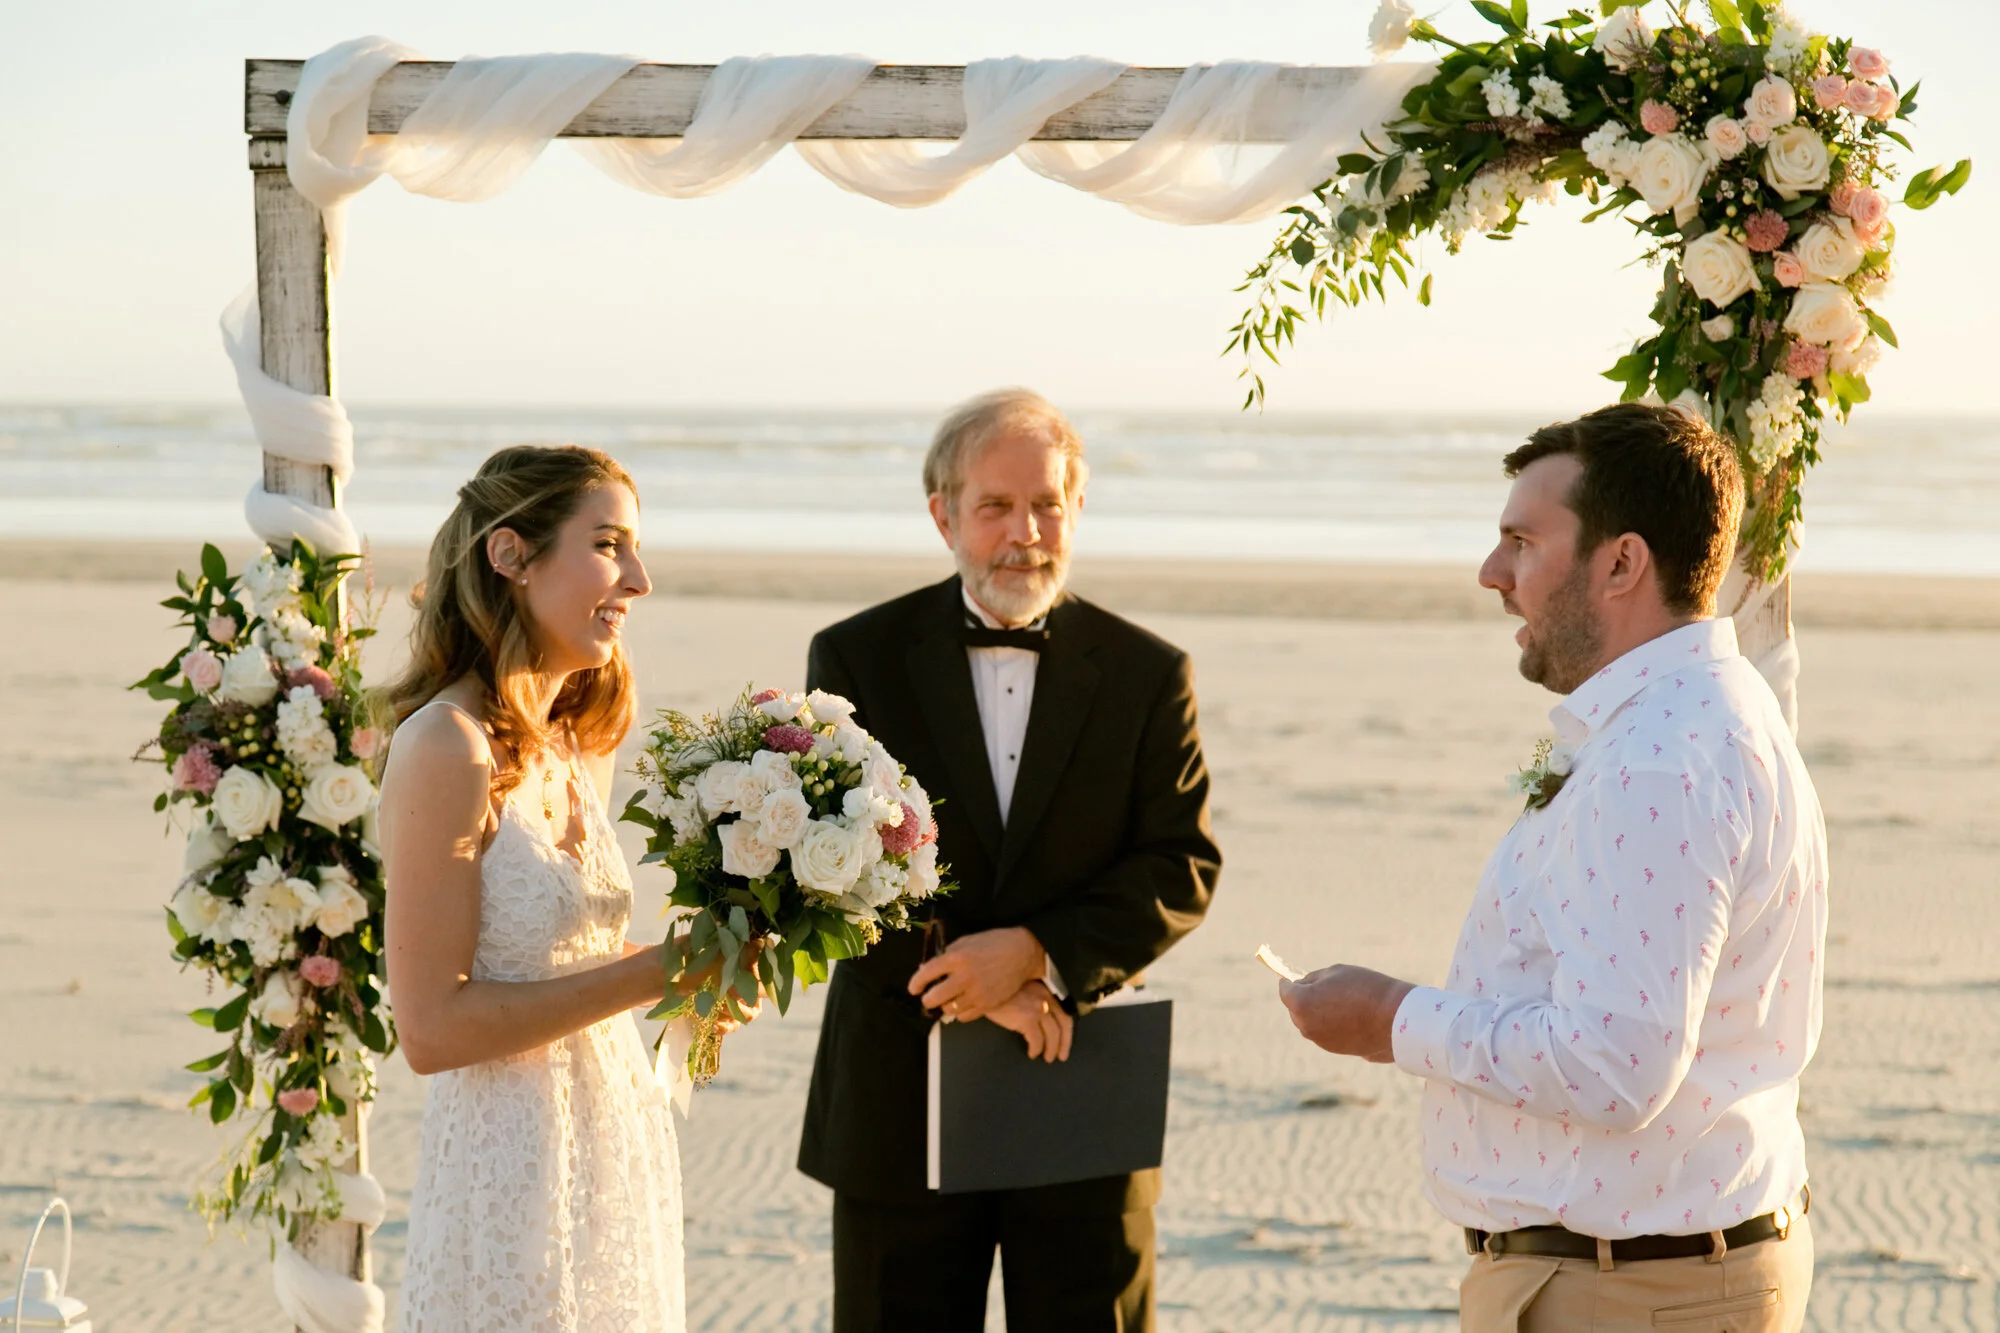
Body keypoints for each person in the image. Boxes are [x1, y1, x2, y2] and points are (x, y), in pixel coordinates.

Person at [1277, 404, 1827, 1332]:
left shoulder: (1664, 752)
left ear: (1621, 562)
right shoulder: (1705, 706)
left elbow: (1616, 1062)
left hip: (1635, 1293)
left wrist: (1388, 1018)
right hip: (1650, 1273)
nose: (1492, 573)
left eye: (1522, 542)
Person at [795, 388, 1222, 1331]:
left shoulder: (1151, 672)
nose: (1025, 531)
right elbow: (828, 864)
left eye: (1048, 504)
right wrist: (973, 981)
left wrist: (1036, 953)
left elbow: (1179, 861)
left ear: (1076, 509)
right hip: (895, 1099)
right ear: (943, 514)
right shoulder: (857, 656)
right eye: (996, 506)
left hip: (1076, 1079)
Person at [379, 445, 748, 1332]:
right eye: (610, 544)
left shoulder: (572, 740)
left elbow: (554, 959)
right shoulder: (446, 746)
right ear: (512, 555)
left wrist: (703, 974)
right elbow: (429, 1028)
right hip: (509, 1160)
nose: (640, 578)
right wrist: (654, 971)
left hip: (612, 1131)